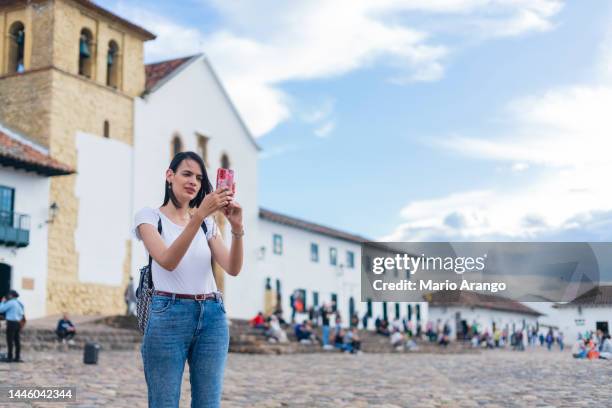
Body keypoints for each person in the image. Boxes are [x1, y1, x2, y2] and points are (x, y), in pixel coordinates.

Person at [135, 151, 244, 407]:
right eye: (186, 174)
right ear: (169, 176)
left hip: (212, 316)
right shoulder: (149, 217)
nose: (193, 181)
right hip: (167, 314)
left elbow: (232, 267)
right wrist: (198, 217)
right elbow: (168, 261)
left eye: (198, 177)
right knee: (164, 402)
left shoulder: (208, 225)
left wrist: (237, 229)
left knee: (208, 403)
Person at [0, 290, 25, 363]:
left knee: (10, 340)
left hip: (11, 323)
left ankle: (10, 357)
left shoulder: (10, 302)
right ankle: (17, 357)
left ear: (11, 295)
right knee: (17, 340)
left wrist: (2, 302)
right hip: (18, 323)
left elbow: (1, 310)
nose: (7, 296)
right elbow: (21, 313)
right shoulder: (19, 303)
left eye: (9, 295)